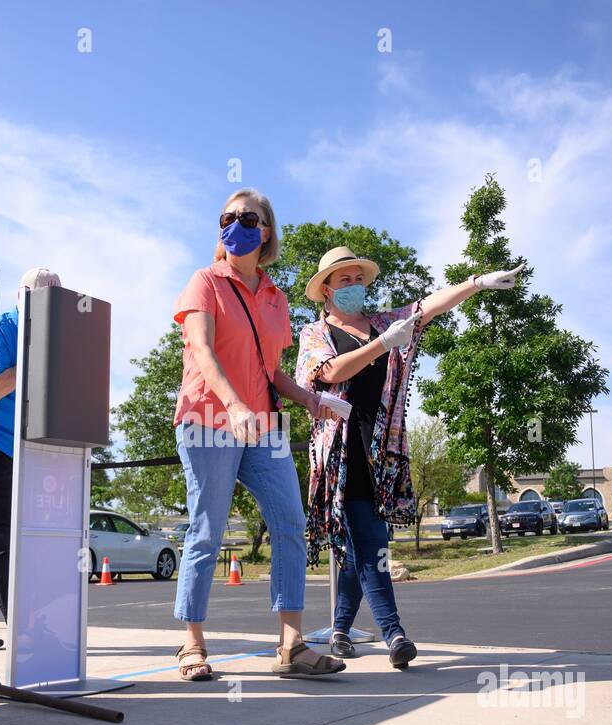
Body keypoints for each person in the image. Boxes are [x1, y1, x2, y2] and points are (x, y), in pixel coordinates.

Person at [295, 246, 522, 667]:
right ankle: (394, 633)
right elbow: (329, 372)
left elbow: (429, 306)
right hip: (339, 457)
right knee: (370, 543)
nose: (354, 286)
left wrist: (476, 283)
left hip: (382, 452)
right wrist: (382, 345)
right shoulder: (314, 334)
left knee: (359, 547)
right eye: (344, 280)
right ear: (325, 290)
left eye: (358, 278)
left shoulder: (383, 321)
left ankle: (341, 628)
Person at [172, 188, 344, 681]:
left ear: (266, 230)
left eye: (248, 217)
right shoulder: (205, 282)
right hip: (208, 419)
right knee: (207, 529)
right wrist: (233, 404)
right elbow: (202, 350)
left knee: (291, 522)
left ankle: (292, 643)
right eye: (227, 216)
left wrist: (312, 400)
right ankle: (192, 645)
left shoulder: (275, 298)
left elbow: (271, 372)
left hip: (263, 426)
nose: (237, 224)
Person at [0, 267, 62, 620]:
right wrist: (37, 351)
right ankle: (20, 625)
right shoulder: (3, 327)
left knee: (38, 539)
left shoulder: (64, 332)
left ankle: (34, 619)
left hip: (41, 450)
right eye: (43, 297)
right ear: (22, 296)